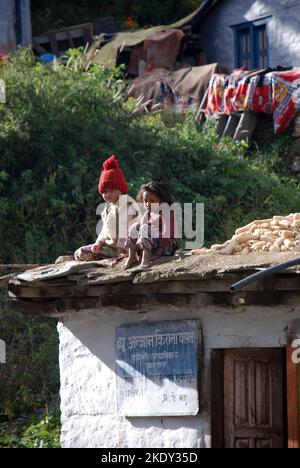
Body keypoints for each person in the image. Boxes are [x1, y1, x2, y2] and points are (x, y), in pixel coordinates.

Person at [74, 155, 134, 262]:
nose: (107, 194)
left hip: (124, 248)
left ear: (120, 189)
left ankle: (116, 256)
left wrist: (121, 249)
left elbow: (125, 229)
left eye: (111, 190)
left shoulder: (125, 203)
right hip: (110, 247)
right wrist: (98, 243)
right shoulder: (107, 207)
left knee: (82, 253)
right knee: (78, 253)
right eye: (104, 192)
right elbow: (104, 230)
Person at [124, 181, 177, 270]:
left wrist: (158, 252)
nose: (148, 204)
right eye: (145, 201)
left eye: (152, 201)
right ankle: (132, 256)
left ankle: (146, 258)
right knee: (135, 227)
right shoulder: (147, 215)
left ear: (162, 200)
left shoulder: (167, 214)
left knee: (145, 228)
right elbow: (141, 231)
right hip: (150, 246)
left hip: (165, 247)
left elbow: (166, 236)